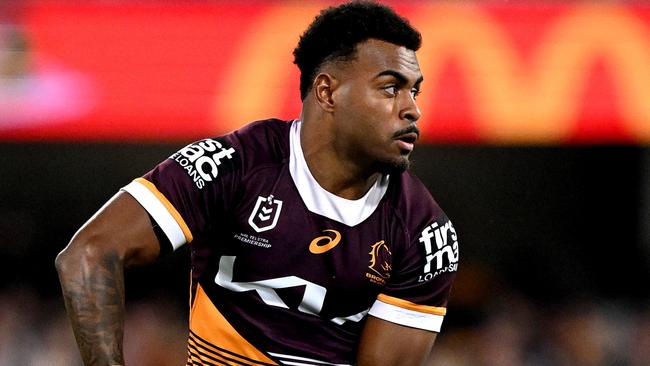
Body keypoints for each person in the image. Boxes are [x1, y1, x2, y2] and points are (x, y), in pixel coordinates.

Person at [55, 2, 460, 365]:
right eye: (391, 88)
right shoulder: (234, 166)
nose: (413, 109)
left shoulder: (427, 233)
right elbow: (89, 253)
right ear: (327, 91)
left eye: (415, 91)